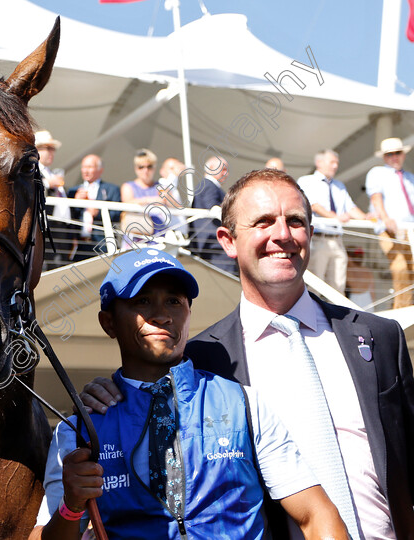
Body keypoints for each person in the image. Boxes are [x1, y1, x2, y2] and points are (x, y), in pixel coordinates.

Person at [83, 168, 414, 538]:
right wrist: (102, 395)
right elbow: (139, 391)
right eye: (263, 222)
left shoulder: (378, 337)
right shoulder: (202, 359)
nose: (283, 235)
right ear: (227, 240)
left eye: (295, 221)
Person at [31, 249, 346, 540]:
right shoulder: (77, 431)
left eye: (174, 301)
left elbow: (316, 514)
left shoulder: (244, 404)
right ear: (108, 322)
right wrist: (72, 506)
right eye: (142, 301)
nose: (162, 315)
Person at [296, 150, 368, 294]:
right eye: (332, 162)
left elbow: (351, 208)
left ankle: (334, 317)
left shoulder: (339, 185)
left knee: (338, 286)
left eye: (337, 163)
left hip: (337, 241)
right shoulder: (306, 181)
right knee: (314, 287)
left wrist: (368, 218)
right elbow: (313, 205)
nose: (335, 166)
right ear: (319, 163)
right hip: (318, 239)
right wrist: (334, 218)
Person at [366, 137, 414, 308]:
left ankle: (406, 308)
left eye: (397, 153)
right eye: (390, 154)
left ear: (403, 155)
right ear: (384, 157)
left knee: (410, 272)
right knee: (399, 267)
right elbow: (376, 197)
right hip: (389, 229)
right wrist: (385, 219)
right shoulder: (377, 172)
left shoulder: (410, 178)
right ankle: (402, 312)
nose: (394, 157)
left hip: (410, 230)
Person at [68, 154, 120, 261]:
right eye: (83, 167)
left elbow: (117, 214)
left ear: (100, 170)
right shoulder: (73, 191)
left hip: (102, 244)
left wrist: (98, 213)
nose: (86, 171)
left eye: (90, 167)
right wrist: (75, 202)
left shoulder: (111, 189)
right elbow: (66, 216)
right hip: (79, 245)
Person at [189, 155, 236, 274]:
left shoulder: (206, 185)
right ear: (210, 168)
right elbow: (213, 208)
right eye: (223, 169)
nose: (226, 173)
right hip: (214, 245)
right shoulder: (209, 185)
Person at [35, 130, 70, 266]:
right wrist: (48, 184)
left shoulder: (51, 172)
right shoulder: (33, 170)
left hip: (60, 230)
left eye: (53, 149)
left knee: (60, 265)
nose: (51, 152)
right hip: (44, 229)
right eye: (47, 148)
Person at [120, 149, 170, 241]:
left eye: (149, 166)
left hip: (159, 236)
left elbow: (175, 206)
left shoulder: (161, 187)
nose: (145, 170)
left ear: (154, 168)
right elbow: (127, 203)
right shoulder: (128, 186)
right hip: (136, 237)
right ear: (136, 168)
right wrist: (149, 200)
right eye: (141, 167)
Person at [157, 156, 188, 237]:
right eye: (171, 168)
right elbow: (168, 199)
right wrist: (173, 177)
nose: (174, 171)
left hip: (180, 234)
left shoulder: (174, 188)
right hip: (170, 234)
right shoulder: (161, 185)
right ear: (162, 171)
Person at [346, 246, 375, 312]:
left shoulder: (347, 271)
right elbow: (372, 292)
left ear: (349, 258)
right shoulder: (367, 271)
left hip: (353, 299)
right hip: (367, 299)